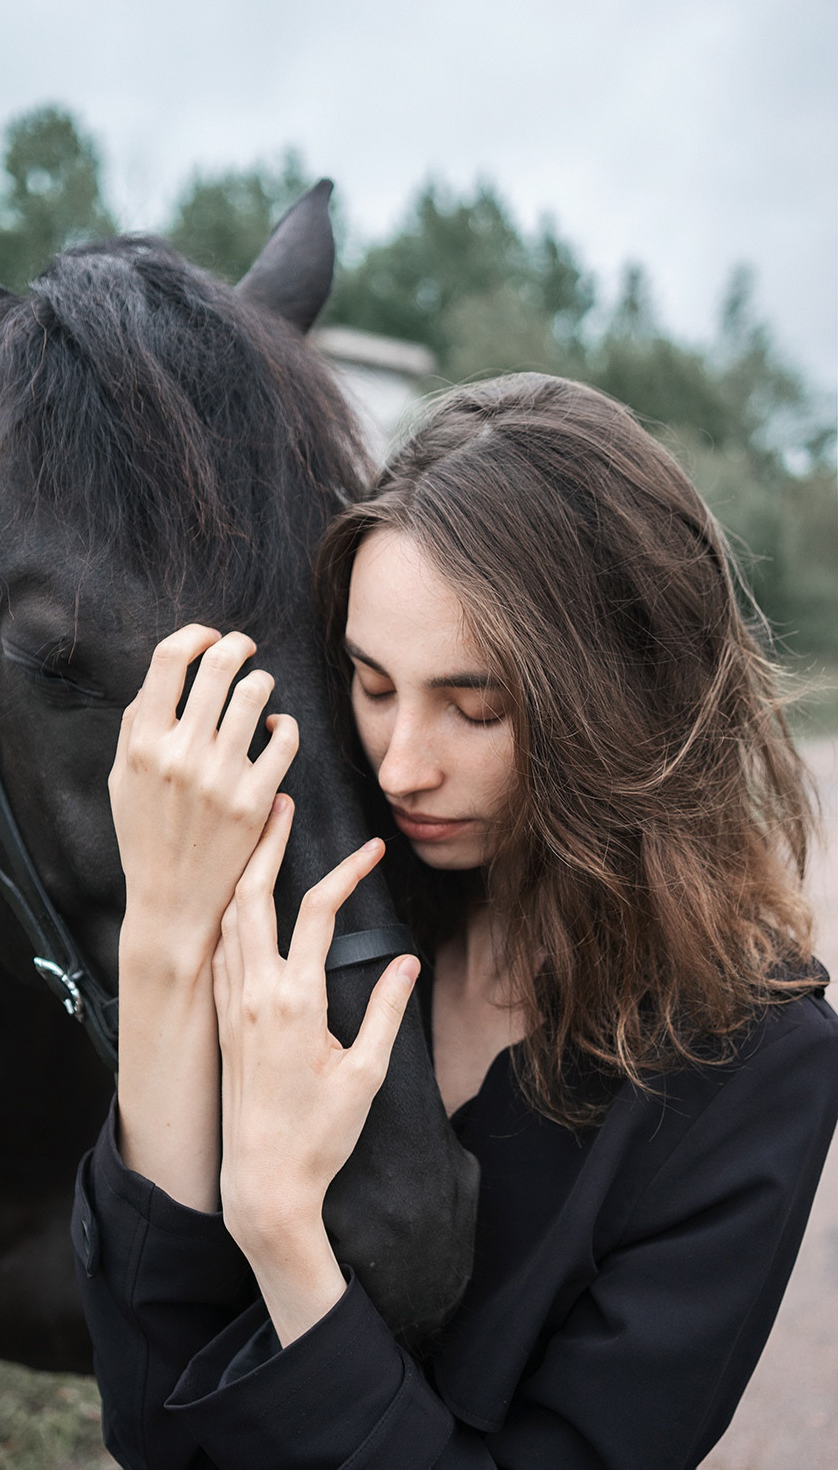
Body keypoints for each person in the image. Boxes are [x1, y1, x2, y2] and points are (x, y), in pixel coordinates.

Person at [72, 372, 838, 1469]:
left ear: (628, 700)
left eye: (476, 707)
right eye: (372, 685)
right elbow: (150, 1423)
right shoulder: (330, 910)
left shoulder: (754, 1064)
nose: (401, 767)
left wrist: (284, 1234)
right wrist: (161, 936)